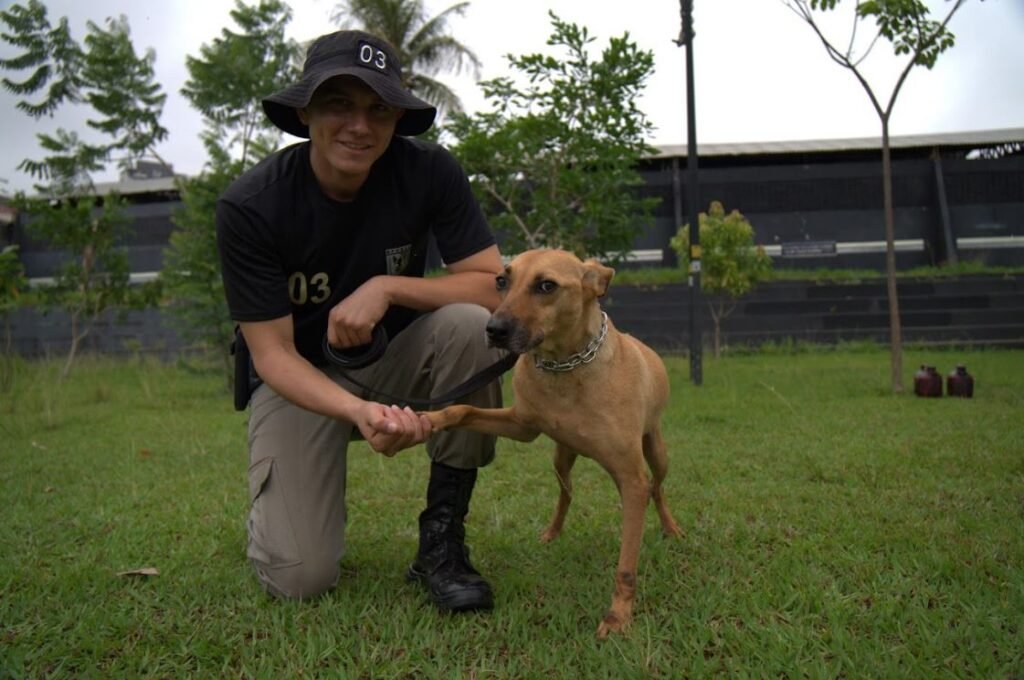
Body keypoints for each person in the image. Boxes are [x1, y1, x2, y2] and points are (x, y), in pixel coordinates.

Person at [215, 29, 504, 613]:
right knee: (300, 575)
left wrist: (388, 286)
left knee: (476, 326)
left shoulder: (430, 172)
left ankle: (442, 543)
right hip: (295, 381)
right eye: (339, 104)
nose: (360, 125)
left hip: (395, 362)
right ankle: (275, 522)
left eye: (379, 108)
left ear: (398, 117)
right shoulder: (251, 206)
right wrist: (357, 412)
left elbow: (495, 289)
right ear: (305, 111)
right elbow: (271, 355)